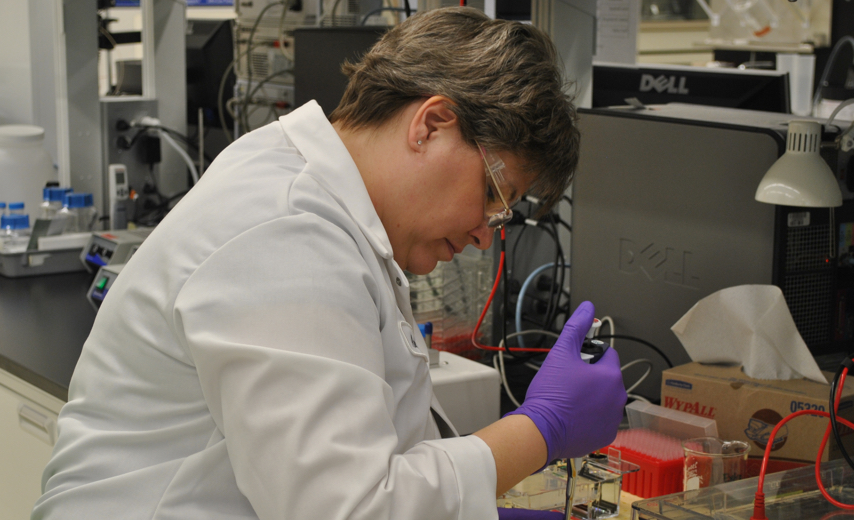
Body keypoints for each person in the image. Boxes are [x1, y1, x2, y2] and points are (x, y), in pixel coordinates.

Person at [32, 7, 626, 520]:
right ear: (431, 124)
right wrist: (541, 429)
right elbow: (351, 509)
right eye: (494, 195)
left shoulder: (324, 203)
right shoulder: (288, 233)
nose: (484, 235)